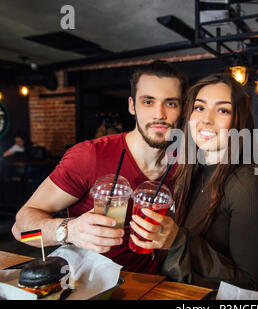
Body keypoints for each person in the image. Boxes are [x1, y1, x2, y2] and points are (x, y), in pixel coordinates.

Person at [129, 73, 258, 299]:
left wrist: (177, 240)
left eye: (223, 110)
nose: (206, 119)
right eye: (199, 108)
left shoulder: (247, 185)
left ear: (239, 122)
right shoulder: (191, 172)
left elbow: (248, 286)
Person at [12, 60, 188, 273]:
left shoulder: (186, 164)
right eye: (148, 102)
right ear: (132, 105)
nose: (159, 114)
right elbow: (20, 230)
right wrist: (69, 230)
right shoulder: (90, 156)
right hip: (91, 283)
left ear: (183, 109)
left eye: (171, 103)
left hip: (154, 283)